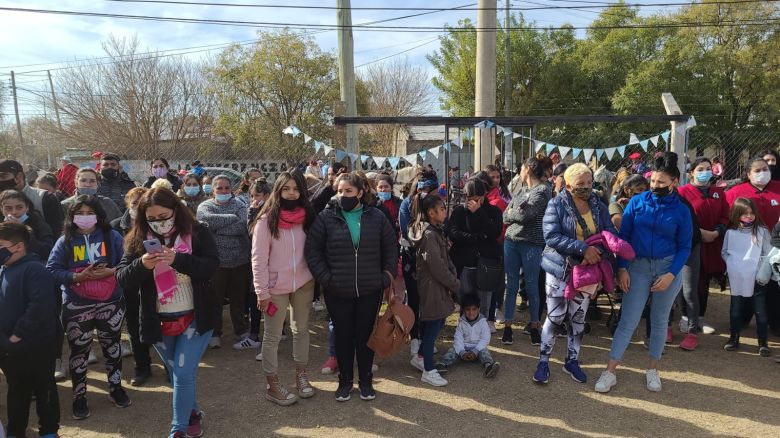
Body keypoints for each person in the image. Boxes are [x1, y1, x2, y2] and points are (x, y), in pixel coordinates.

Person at [116, 187, 220, 438]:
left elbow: (211, 266)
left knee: (183, 373)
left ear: (176, 210)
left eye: (164, 216)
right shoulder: (137, 239)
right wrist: (141, 265)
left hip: (196, 316)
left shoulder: (198, 232)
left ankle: (178, 430)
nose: (159, 223)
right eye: (152, 218)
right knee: (177, 373)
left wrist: (178, 260)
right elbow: (122, 278)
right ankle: (192, 412)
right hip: (159, 320)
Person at [595, 153, 692, 393]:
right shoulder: (637, 203)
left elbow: (685, 247)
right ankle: (610, 371)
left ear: (674, 182)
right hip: (637, 266)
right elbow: (624, 238)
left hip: (667, 268)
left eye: (661, 182)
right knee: (628, 320)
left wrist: (671, 274)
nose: (655, 186)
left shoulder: (682, 210)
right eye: (653, 181)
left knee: (659, 321)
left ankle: (652, 369)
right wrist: (622, 269)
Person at [305, 172, 397, 402]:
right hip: (337, 290)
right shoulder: (326, 217)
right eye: (339, 191)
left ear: (360, 192)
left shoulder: (376, 216)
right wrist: (326, 278)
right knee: (344, 337)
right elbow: (312, 250)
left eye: (348, 191)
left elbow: (390, 246)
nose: (343, 195)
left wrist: (386, 276)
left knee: (365, 336)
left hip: (370, 289)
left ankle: (365, 381)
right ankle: (345, 381)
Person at [46, 195, 131, 419]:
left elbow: (126, 262)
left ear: (98, 215)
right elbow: (51, 270)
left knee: (112, 345)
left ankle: (115, 387)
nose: (85, 218)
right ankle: (79, 395)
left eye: (89, 213)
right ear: (71, 216)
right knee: (79, 350)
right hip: (77, 304)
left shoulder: (111, 236)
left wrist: (111, 271)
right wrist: (76, 277)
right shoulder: (64, 241)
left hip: (110, 301)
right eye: (79, 213)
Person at [533, 163, 617, 385]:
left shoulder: (599, 206)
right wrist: (583, 249)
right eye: (581, 184)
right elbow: (551, 236)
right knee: (555, 316)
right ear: (568, 184)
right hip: (560, 268)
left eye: (589, 183)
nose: (586, 187)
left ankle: (572, 360)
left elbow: (609, 233)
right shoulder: (555, 205)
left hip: (587, 272)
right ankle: (543, 361)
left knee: (579, 317)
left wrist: (600, 252)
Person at [251, 171, 317, 405]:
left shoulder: (308, 217)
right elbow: (258, 259)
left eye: (296, 189)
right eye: (286, 188)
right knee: (272, 336)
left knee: (301, 330)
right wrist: (262, 291)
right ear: (278, 191)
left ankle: (301, 376)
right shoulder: (265, 221)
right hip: (274, 288)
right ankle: (273, 384)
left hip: (303, 283)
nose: (291, 193)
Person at [0, 222, 61, 438]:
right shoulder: (4, 269)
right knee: (16, 392)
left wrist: (17, 334)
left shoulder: (35, 269)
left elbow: (39, 306)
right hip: (10, 349)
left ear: (18, 247)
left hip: (36, 346)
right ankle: (16, 431)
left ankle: (49, 431)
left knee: (44, 390)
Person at [676, 157, 730, 348]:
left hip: (712, 242)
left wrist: (717, 232)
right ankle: (685, 316)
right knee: (689, 282)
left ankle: (700, 317)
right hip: (691, 242)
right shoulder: (682, 192)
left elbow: (725, 215)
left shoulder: (718, 192)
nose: (705, 172)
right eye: (701, 169)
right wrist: (700, 233)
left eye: (708, 168)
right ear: (692, 172)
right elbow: (681, 218)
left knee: (705, 279)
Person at [408, 194, 459, 386]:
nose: (446, 212)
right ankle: (428, 370)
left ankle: (420, 357)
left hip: (438, 285)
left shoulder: (435, 231)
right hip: (433, 286)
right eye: (442, 209)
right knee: (432, 327)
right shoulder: (429, 235)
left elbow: (444, 259)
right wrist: (454, 283)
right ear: (431, 213)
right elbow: (436, 266)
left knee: (435, 323)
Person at [196, 175, 252, 349]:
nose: (223, 191)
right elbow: (205, 223)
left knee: (238, 300)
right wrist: (232, 218)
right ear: (213, 190)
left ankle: (241, 331)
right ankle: (215, 333)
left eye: (227, 188)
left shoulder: (240, 205)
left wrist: (217, 230)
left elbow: (243, 224)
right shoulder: (205, 206)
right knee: (215, 300)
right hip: (217, 263)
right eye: (219, 188)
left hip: (239, 261)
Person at [725, 156, 780, 335]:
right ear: (748, 174)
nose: (762, 173)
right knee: (748, 284)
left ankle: (775, 322)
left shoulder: (778, 189)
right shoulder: (735, 192)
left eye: (765, 169)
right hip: (747, 250)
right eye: (757, 170)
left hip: (775, 249)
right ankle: (741, 319)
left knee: (773, 286)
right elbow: (728, 218)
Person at [502, 157, 552, 346]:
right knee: (512, 286)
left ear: (529, 169)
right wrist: (515, 212)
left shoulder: (543, 191)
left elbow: (525, 215)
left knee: (532, 286)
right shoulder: (522, 190)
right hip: (511, 242)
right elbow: (504, 215)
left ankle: (534, 326)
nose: (519, 171)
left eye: (521, 168)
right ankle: (507, 327)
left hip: (532, 244)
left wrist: (514, 212)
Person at [109, 187, 154, 386]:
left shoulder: (155, 226)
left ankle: (171, 366)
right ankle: (142, 366)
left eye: (143, 202)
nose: (138, 207)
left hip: (155, 286)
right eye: (134, 203)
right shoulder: (116, 226)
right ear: (128, 205)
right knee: (135, 328)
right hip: (128, 284)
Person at [722, 197, 772, 356]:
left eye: (751, 213)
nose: (749, 216)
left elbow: (768, 253)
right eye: (744, 214)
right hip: (737, 277)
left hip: (757, 278)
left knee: (760, 310)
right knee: (735, 309)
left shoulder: (762, 231)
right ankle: (734, 338)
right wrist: (732, 265)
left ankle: (763, 342)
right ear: (737, 215)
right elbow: (725, 252)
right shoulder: (730, 233)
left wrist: (761, 271)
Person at [448, 178, 502, 323]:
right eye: (469, 199)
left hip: (485, 264)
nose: (472, 202)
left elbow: (495, 232)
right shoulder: (460, 211)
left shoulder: (493, 212)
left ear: (483, 196)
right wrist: (475, 237)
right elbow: (453, 232)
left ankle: (481, 333)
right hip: (464, 263)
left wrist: (479, 213)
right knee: (465, 300)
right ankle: (464, 331)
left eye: (477, 199)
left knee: (483, 303)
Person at [436, 294, 500, 378]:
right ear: (463, 310)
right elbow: (458, 338)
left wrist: (476, 351)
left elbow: (485, 338)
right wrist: (462, 352)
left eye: (474, 309)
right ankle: (442, 365)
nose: (471, 312)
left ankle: (488, 366)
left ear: (479, 309)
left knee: (485, 352)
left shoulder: (483, 322)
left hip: (477, 348)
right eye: (468, 309)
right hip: (463, 348)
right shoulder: (461, 322)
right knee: (452, 351)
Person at [0, 159, 65, 237]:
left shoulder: (45, 198)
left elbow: (56, 234)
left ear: (19, 177)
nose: (14, 212)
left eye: (3, 176)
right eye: (8, 208)